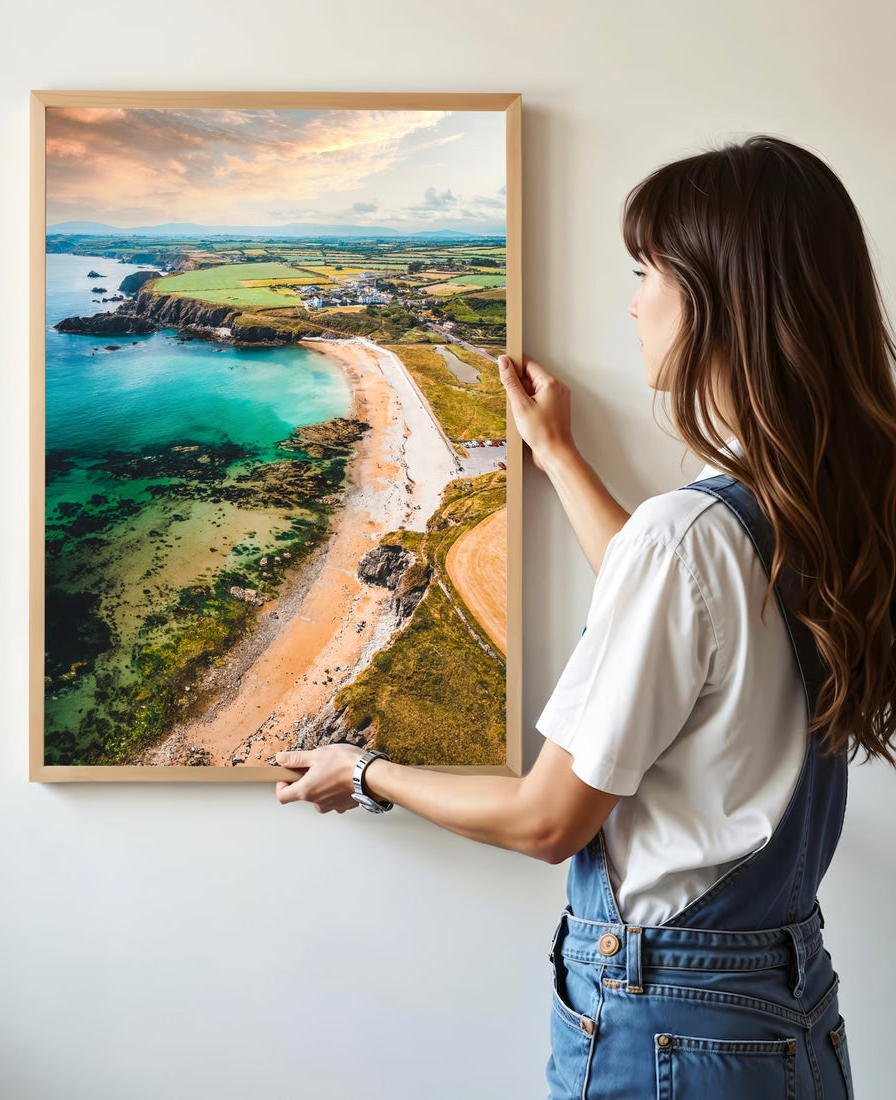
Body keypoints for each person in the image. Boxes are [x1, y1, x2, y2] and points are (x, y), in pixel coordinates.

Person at [273, 134, 896, 1098]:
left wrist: (364, 771)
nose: (633, 300)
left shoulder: (691, 534)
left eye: (647, 271)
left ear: (721, 299)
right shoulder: (817, 507)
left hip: (670, 1024)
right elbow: (685, 622)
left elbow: (546, 819)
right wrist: (558, 455)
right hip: (783, 1008)